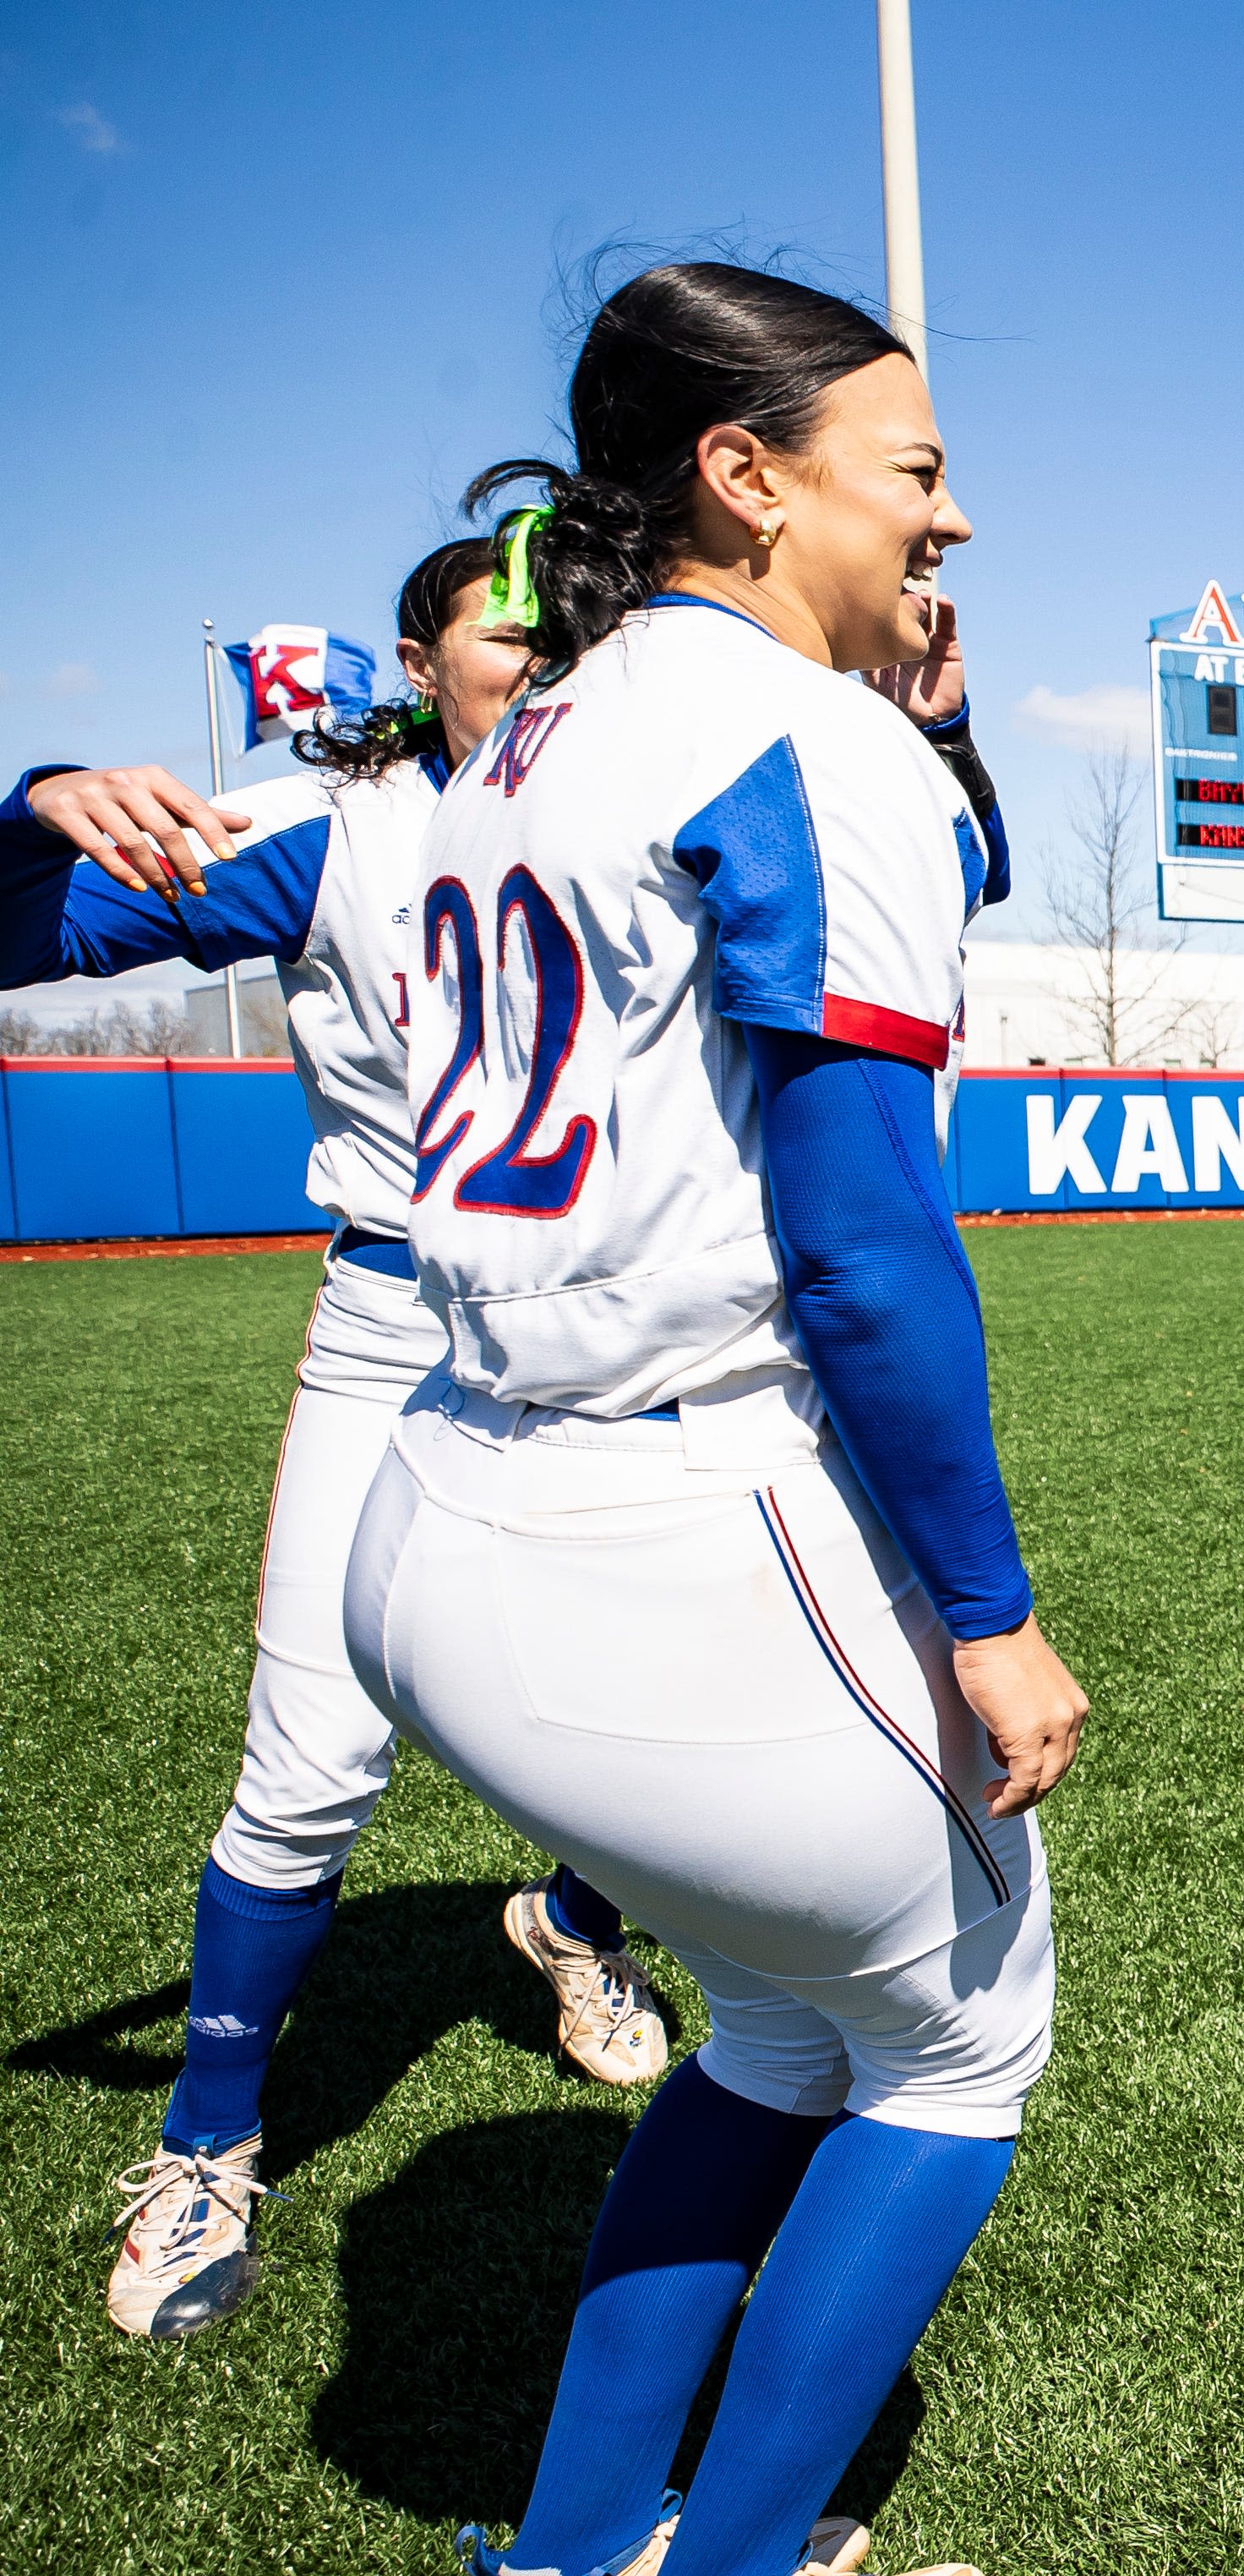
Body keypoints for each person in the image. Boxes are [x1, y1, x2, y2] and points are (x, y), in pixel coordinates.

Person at [342, 260, 1072, 2576]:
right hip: (671, 1531)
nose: (950, 523)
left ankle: (572, 2553)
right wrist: (988, 1610)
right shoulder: (802, 741)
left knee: (773, 2039)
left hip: (439, 1495)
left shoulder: (523, 733)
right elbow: (860, 1245)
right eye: (916, 473)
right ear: (747, 477)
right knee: (959, 2053)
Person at [1, 543, 689, 2343]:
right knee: (311, 1756)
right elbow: (16, 942)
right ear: (417, 659)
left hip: (609, 1318)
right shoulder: (335, 826)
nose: (542, 664)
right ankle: (210, 2143)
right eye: (503, 632)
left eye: (572, 639)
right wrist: (31, 809)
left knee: (639, 1700)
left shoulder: (658, 800)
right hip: (402, 1316)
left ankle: (571, 1921)